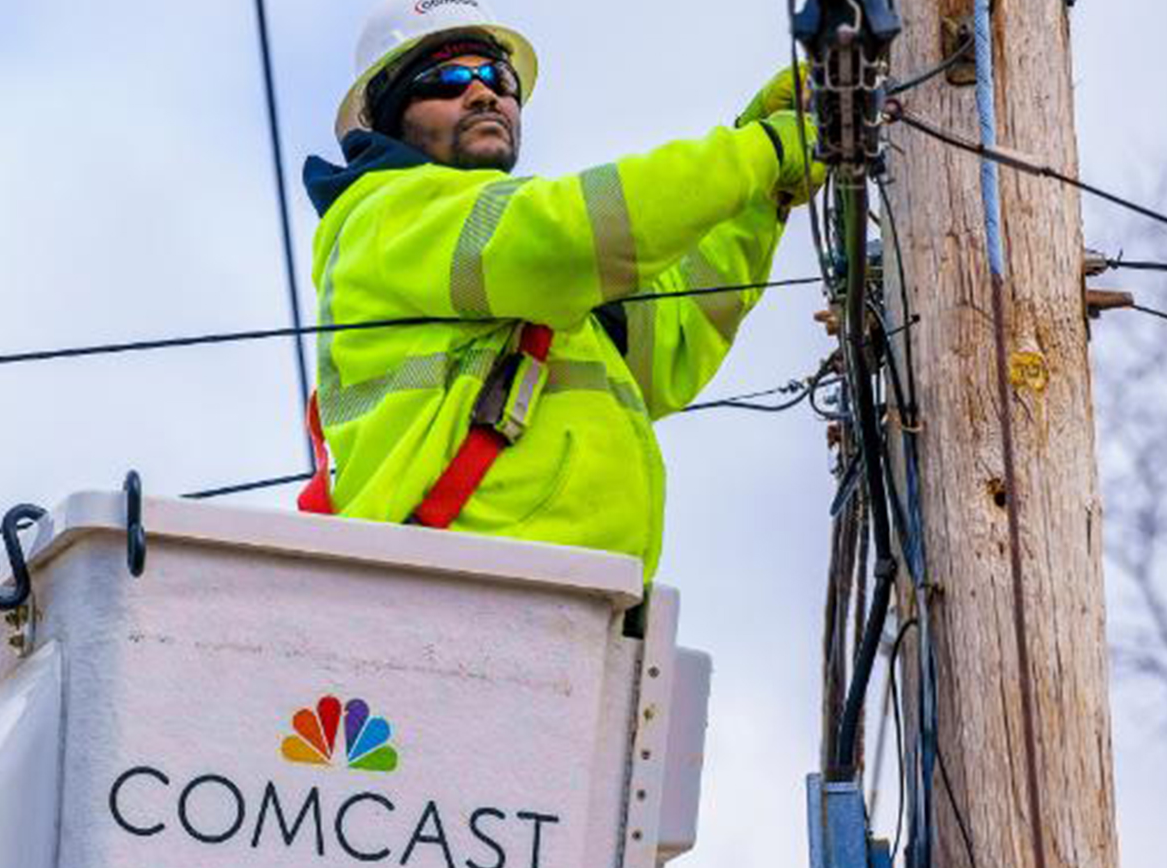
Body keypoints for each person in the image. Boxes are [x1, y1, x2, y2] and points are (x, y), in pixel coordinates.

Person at [298, 0, 824, 579]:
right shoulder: (387, 219)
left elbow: (675, 331)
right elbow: (570, 233)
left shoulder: (521, 287)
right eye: (446, 80)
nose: (482, 94)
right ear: (394, 116)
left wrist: (761, 190)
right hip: (457, 589)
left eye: (498, 78)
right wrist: (764, 151)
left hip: (562, 602)